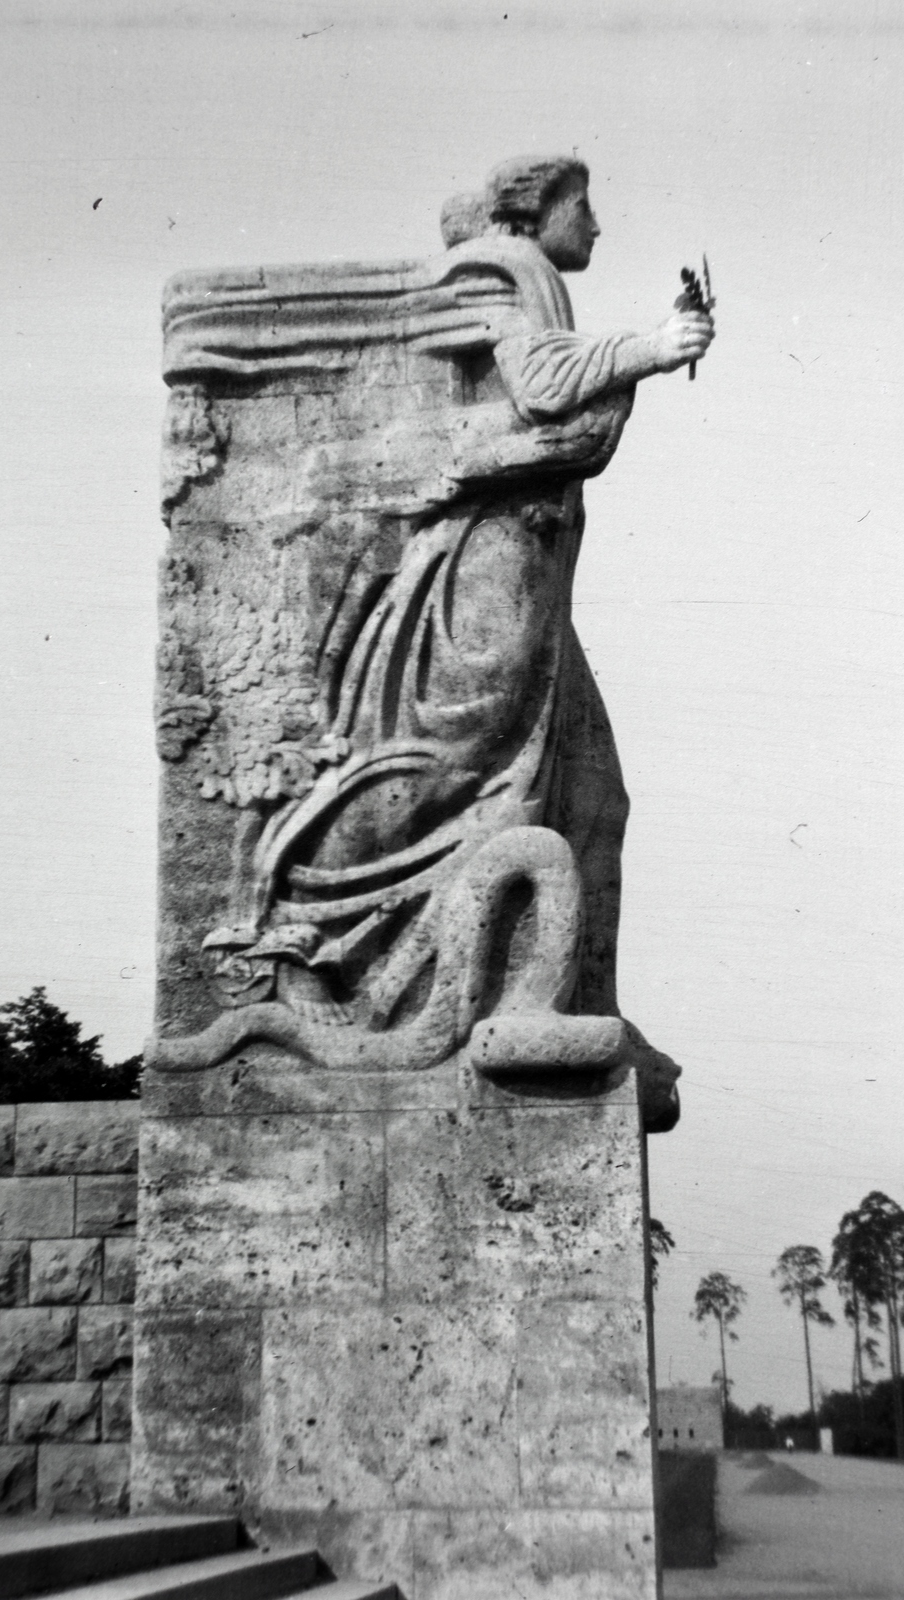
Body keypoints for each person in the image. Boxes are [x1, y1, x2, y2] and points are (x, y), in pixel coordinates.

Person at [194, 157, 712, 1089]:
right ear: (533, 209)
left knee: (595, 798)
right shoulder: (503, 265)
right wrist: (656, 345)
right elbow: (544, 386)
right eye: (583, 206)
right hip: (490, 565)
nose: (596, 226)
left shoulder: (525, 273)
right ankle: (287, 925)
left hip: (532, 567)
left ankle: (568, 998)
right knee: (451, 756)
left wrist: (637, 363)